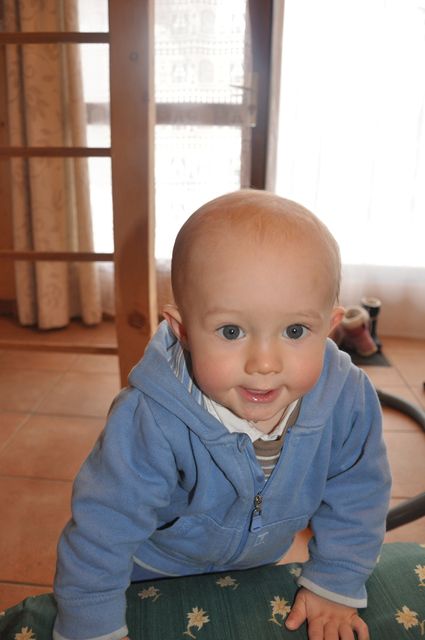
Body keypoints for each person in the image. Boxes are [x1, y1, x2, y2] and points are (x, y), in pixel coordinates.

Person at [53, 190, 391, 640]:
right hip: (149, 571)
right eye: (231, 331)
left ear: (329, 328)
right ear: (183, 331)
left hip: (255, 569)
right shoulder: (150, 417)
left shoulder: (348, 400)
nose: (264, 363)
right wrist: (91, 623)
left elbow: (359, 495)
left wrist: (337, 580)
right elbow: (103, 526)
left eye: (295, 330)